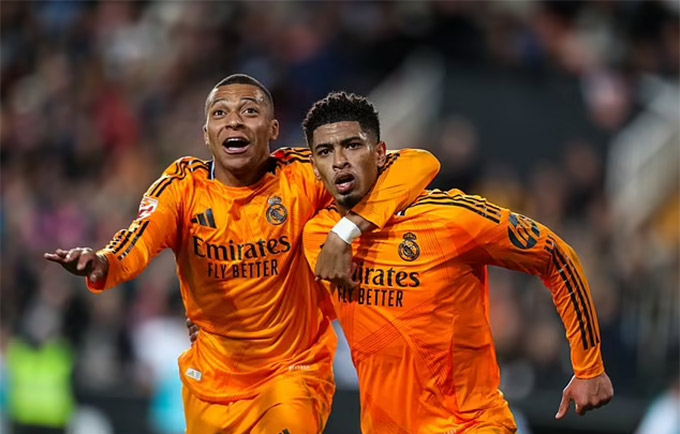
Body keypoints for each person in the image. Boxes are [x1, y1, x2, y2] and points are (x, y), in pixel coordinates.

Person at [44, 75, 441, 434]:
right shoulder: (183, 187)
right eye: (220, 113)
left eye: (249, 111)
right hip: (213, 385)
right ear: (206, 134)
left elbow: (417, 163)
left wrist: (346, 230)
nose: (233, 121)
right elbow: (138, 240)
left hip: (292, 374)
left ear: (273, 129)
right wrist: (104, 261)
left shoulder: (302, 176)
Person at [300, 91, 614, 433]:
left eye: (352, 146)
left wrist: (589, 366)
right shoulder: (317, 237)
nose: (340, 161)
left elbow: (556, 256)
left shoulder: (451, 219)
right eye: (325, 151)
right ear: (314, 167)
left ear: (380, 154)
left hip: (469, 424)